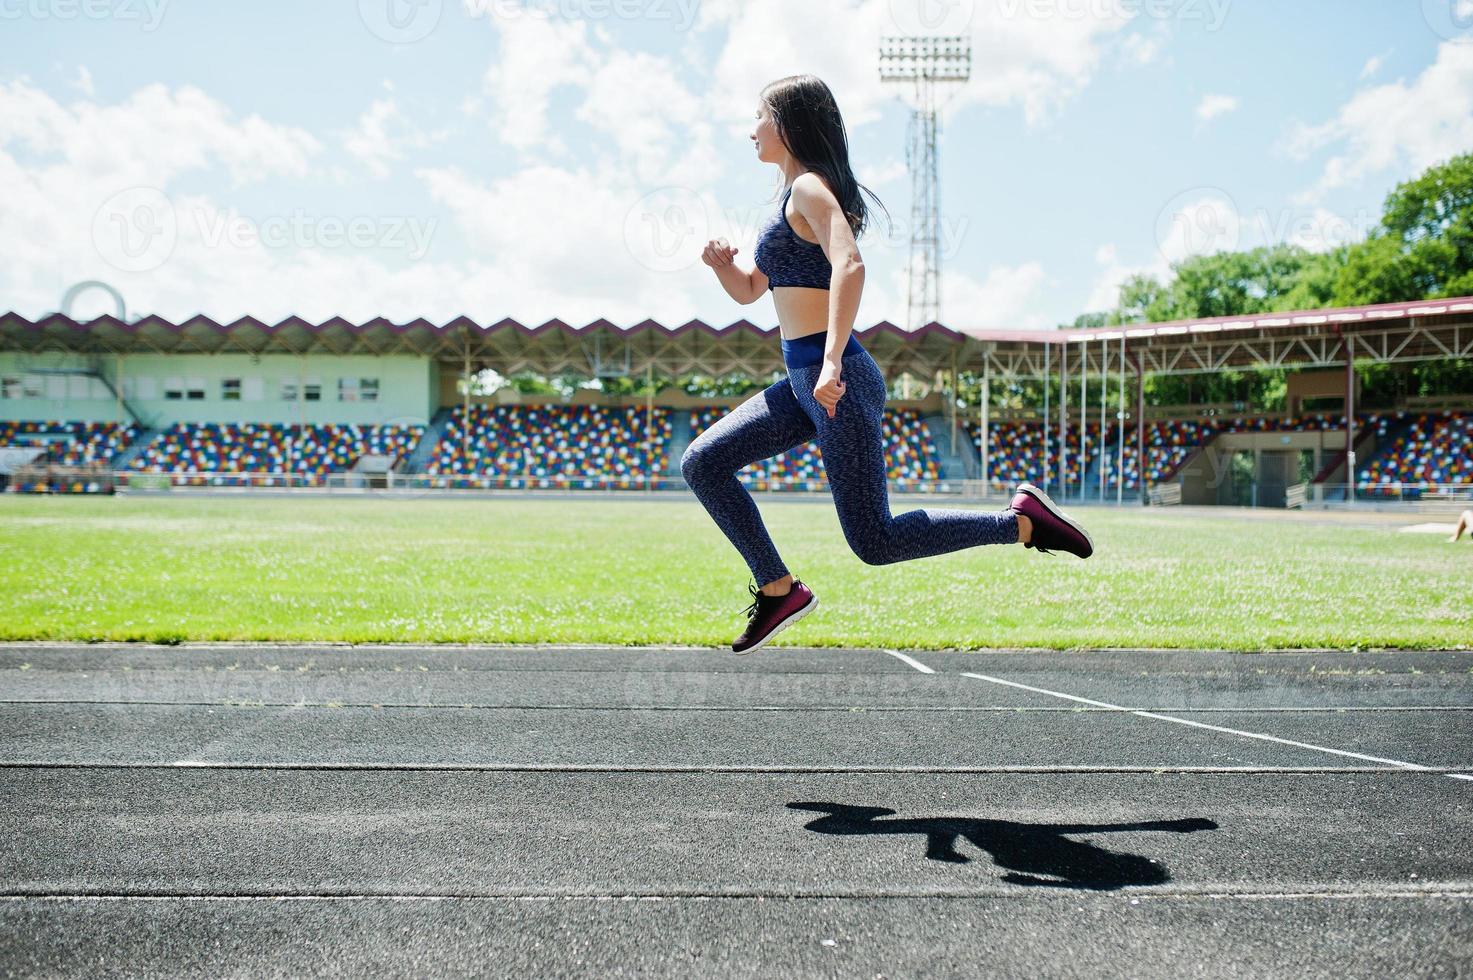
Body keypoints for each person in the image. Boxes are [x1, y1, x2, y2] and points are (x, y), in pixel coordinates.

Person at [682, 74, 1093, 655]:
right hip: (805, 381)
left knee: (875, 541)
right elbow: (752, 290)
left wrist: (829, 364)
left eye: (759, 117)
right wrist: (722, 266)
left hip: (834, 378)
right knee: (704, 462)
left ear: (788, 125)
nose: (751, 130)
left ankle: (1020, 522)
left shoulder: (809, 190)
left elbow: (850, 265)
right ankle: (778, 589)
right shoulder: (787, 198)